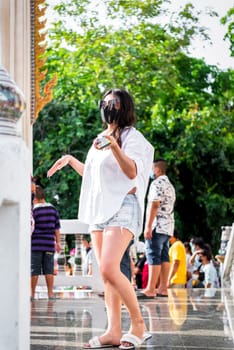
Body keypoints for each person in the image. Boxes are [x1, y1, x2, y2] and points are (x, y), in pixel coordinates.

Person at [47, 88, 154, 349]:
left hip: (123, 206)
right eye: (105, 102)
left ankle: (138, 324)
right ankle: (113, 330)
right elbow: (96, 178)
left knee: (108, 267)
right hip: (100, 210)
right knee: (105, 275)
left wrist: (115, 146)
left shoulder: (133, 137)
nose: (109, 106)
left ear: (124, 106)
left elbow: (131, 172)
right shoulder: (98, 139)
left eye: (114, 102)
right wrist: (72, 160)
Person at [138, 159, 176, 299]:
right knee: (164, 256)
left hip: (157, 225)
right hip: (168, 227)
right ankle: (163, 288)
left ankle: (150, 289)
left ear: (157, 170)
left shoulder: (157, 184)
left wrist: (148, 226)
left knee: (153, 255)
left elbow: (155, 204)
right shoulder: (170, 185)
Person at [31, 185, 61, 300]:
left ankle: (32, 294)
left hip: (36, 244)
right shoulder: (53, 209)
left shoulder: (34, 210)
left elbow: (31, 227)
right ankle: (50, 294)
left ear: (35, 198)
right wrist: (58, 242)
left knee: (34, 270)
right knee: (49, 269)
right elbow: (57, 228)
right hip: (49, 244)